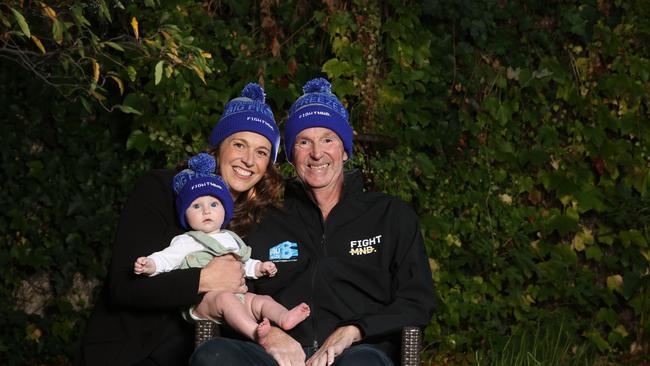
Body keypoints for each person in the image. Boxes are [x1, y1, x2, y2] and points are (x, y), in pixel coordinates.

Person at [190, 78, 437, 366]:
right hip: (277, 355)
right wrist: (268, 335)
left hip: (358, 354)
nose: (317, 153)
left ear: (345, 151)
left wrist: (355, 330)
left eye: (328, 140)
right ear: (291, 156)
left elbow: (417, 302)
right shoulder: (264, 216)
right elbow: (235, 294)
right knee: (213, 355)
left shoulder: (390, 216)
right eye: (304, 142)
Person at [76, 83, 284, 366]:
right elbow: (124, 286)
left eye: (261, 152)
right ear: (219, 146)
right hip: (131, 352)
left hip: (204, 354)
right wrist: (204, 278)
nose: (248, 160)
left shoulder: (254, 216)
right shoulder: (160, 190)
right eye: (239, 144)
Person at [133, 152, 310, 343]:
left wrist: (259, 268)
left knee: (262, 301)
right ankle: (254, 332)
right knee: (226, 301)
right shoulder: (186, 241)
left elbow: (243, 263)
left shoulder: (230, 238)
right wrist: (150, 264)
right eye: (196, 206)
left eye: (214, 204)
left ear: (225, 210)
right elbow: (167, 259)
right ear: (185, 215)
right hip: (205, 302)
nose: (206, 210)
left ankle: (284, 317)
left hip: (238, 296)